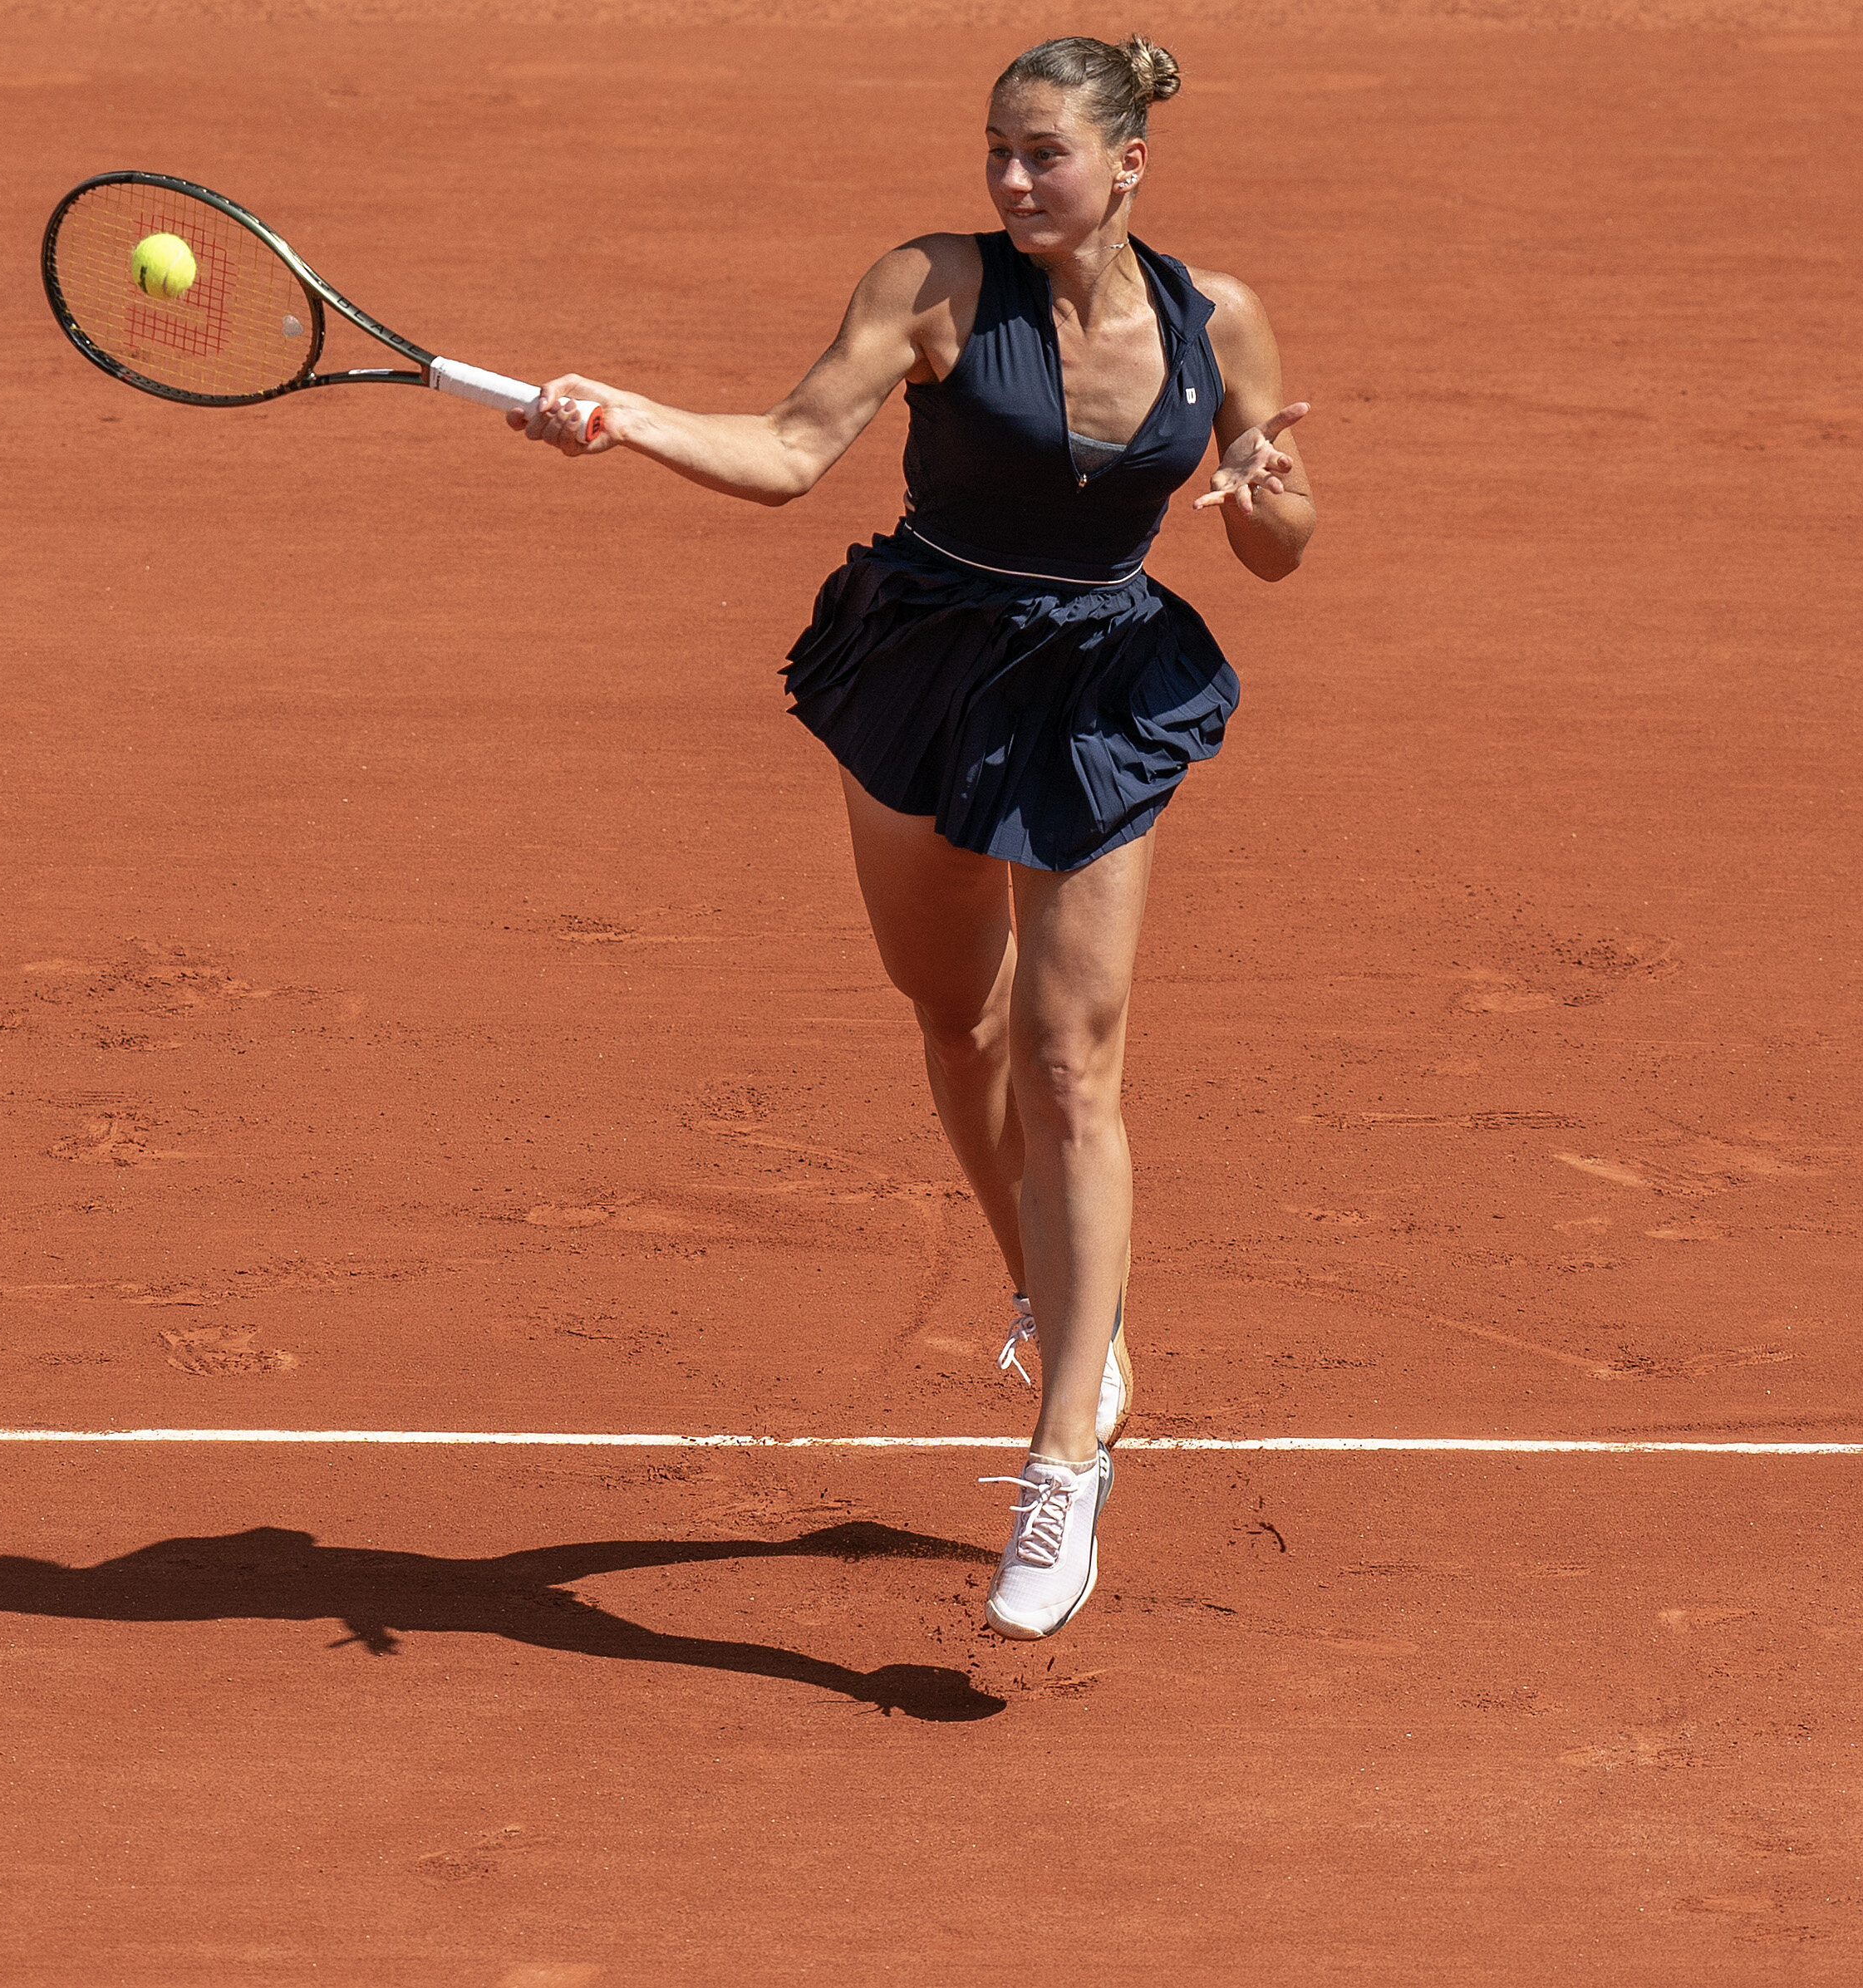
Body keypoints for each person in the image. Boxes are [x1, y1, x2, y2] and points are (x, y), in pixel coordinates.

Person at [513, 32, 1315, 1637]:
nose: (1012, 179)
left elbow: (1284, 543)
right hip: (927, 663)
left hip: (1098, 686)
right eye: (998, 151)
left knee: (1073, 1062)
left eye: (1045, 154)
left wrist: (1264, 481)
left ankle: (1062, 1462)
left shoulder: (1218, 318)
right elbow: (789, 451)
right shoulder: (934, 285)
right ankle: (1054, 1290)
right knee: (960, 1021)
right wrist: (631, 415)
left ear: (1128, 163)